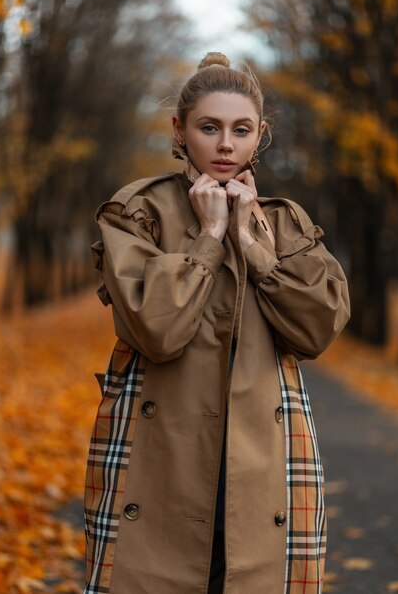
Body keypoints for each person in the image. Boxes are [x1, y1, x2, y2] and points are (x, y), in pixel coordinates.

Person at [84, 52, 350, 594]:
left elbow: (317, 330)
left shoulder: (283, 220)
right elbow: (157, 331)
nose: (226, 145)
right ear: (180, 130)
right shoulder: (139, 211)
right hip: (159, 449)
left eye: (241, 129)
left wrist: (254, 247)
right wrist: (208, 237)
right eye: (210, 128)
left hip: (265, 453)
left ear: (260, 135)